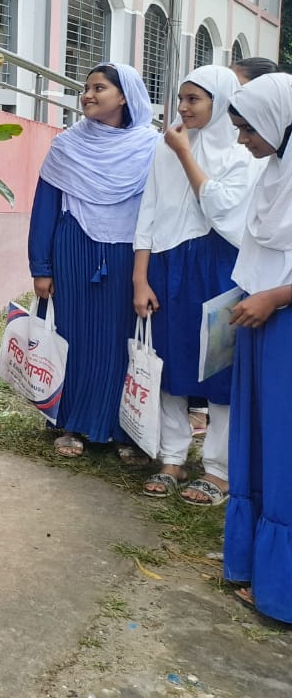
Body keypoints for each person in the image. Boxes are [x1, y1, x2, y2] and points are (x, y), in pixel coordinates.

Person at [133, 67, 258, 505]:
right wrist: (140, 276)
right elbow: (148, 210)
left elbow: (223, 211)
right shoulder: (166, 145)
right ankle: (171, 458)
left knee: (219, 369)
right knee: (169, 365)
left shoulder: (244, 154)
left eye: (194, 100)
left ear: (221, 101)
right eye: (180, 98)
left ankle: (219, 471)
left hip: (221, 266)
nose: (183, 108)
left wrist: (186, 153)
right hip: (168, 264)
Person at [29, 63, 160, 456]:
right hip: (75, 247)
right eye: (85, 88)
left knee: (121, 339)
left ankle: (123, 429)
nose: (87, 95)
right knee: (75, 335)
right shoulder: (67, 145)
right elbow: (45, 207)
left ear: (124, 96)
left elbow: (157, 211)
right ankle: (70, 423)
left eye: (98, 88)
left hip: (128, 253)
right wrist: (41, 267)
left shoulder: (150, 147)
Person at [224, 71, 292, 621]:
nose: (243, 141)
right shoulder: (276, 172)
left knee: (284, 446)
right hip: (260, 316)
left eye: (249, 129)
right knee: (259, 438)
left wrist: (277, 296)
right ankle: (251, 564)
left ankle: (281, 586)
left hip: (283, 320)